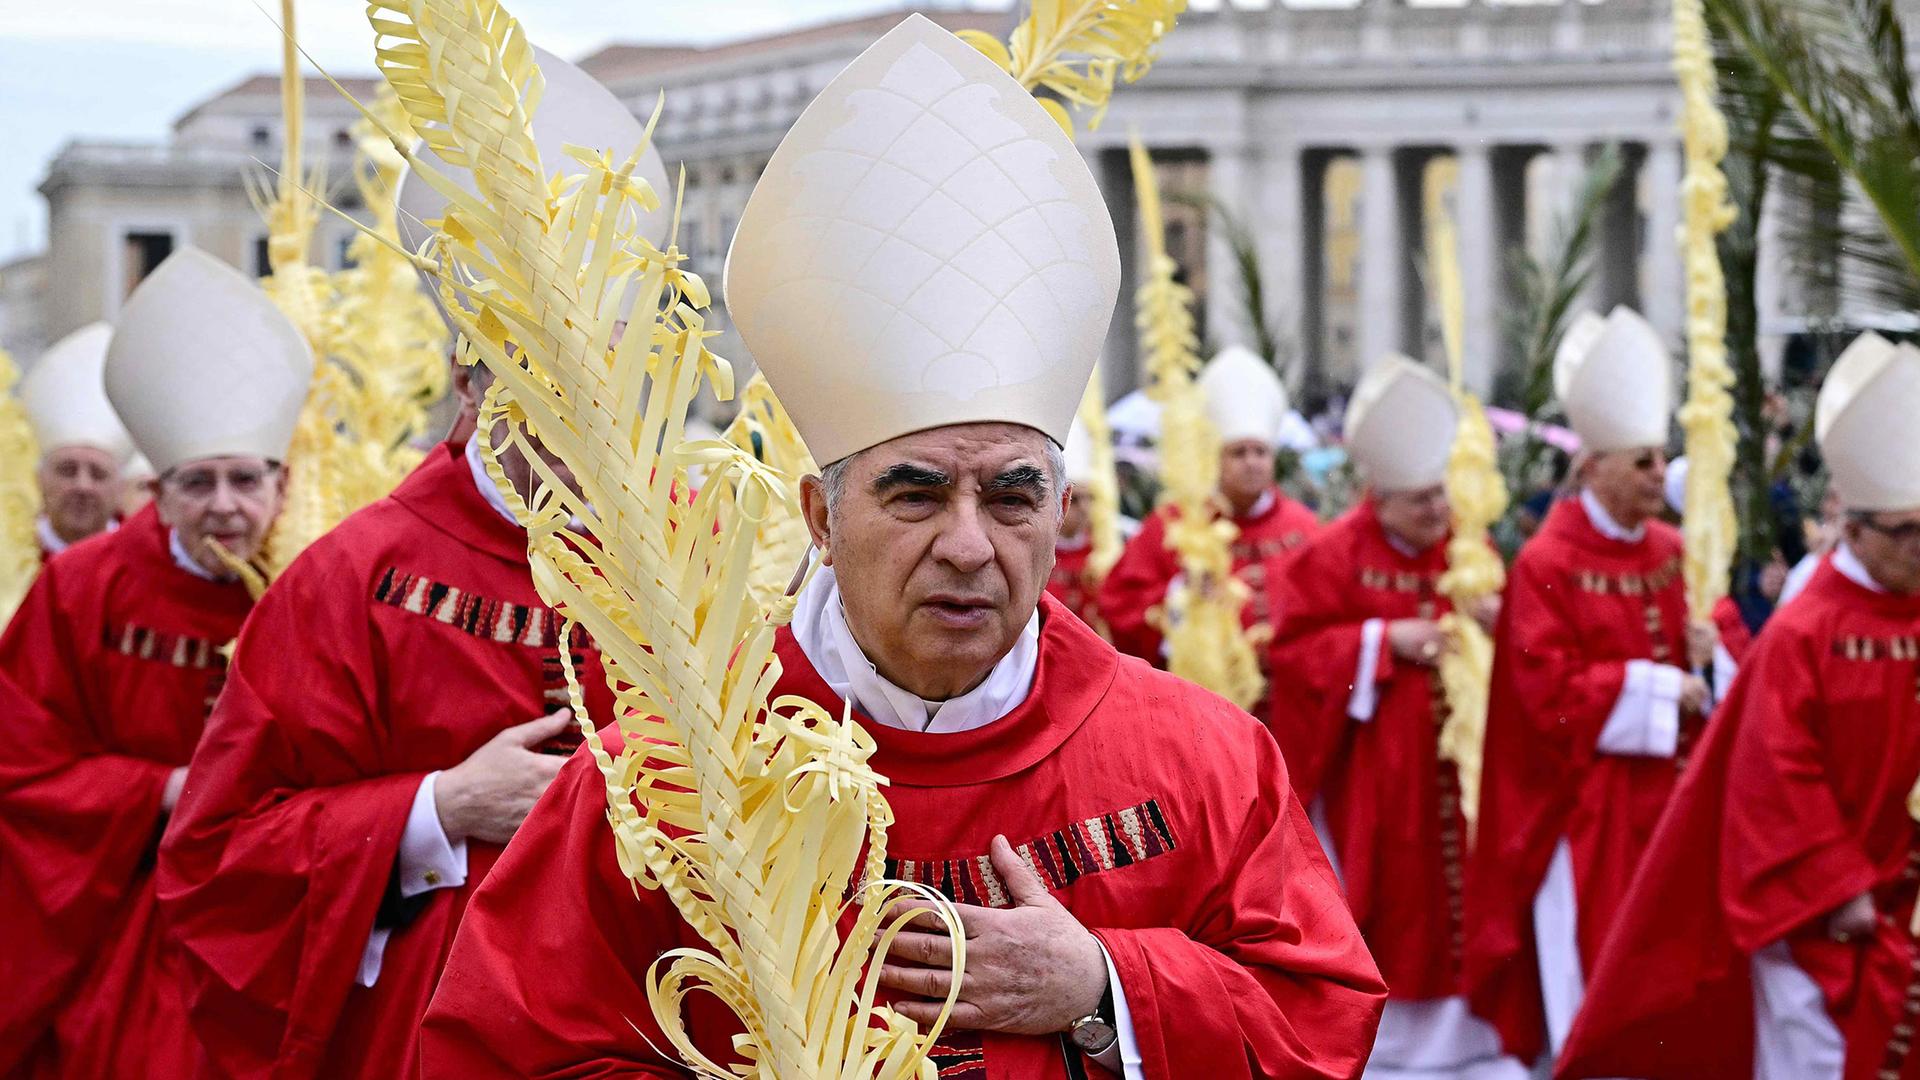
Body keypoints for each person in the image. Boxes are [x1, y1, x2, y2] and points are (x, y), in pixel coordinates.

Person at [418, 17, 1386, 1078]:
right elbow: (499, 1048)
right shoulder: (670, 777)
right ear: (820, 519)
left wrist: (1106, 988)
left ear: (1062, 517)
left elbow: (1321, 1020)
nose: (969, 545)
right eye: (916, 494)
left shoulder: (1201, 759)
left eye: (1011, 497)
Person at [151, 50, 651, 1080]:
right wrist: (438, 808)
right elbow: (215, 859)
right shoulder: (352, 578)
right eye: (542, 378)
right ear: (470, 383)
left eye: (605, 375)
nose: (583, 416)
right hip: (421, 1028)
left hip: (649, 1020)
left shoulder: (695, 559)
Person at [1555, 334, 1920, 1079]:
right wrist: (1837, 883)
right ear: (1851, 529)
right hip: (1824, 911)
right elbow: (1776, 770)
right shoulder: (1803, 631)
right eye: (1908, 532)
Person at [0, 247, 312, 1077]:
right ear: (158, 494)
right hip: (117, 912)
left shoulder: (311, 591)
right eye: (198, 484)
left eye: (245, 480)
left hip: (270, 910)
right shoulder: (82, 588)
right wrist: (160, 791)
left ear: (281, 487)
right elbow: (18, 759)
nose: (224, 507)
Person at [1462, 305, 1716, 1065]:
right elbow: (1546, 698)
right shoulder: (1547, 562)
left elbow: (1719, 656)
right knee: (1598, 969)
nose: (1659, 474)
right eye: (1642, 462)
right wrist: (1660, 688)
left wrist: (1711, 656)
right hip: (1587, 809)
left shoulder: (1673, 548)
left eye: (1662, 459)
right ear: (1593, 467)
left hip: (1673, 798)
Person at [1271, 356, 1525, 1079]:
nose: (1437, 511)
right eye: (1419, 501)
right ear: (1378, 498)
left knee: (1466, 887)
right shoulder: (1331, 556)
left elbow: (1525, 644)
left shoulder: (1468, 550)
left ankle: (1472, 1035)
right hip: (1380, 769)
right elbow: (1292, 655)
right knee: (1395, 893)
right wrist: (1382, 643)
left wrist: (1503, 621)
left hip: (1464, 764)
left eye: (1441, 495)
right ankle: (1392, 1047)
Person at [1097, 345, 1320, 689]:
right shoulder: (1174, 524)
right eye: (1238, 453)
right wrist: (1179, 596)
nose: (1251, 462)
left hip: (1288, 699)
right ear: (1216, 458)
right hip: (1202, 693)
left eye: (1260, 452)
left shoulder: (1305, 528)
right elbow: (1118, 606)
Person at [18, 322, 133, 558]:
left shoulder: (142, 560)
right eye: (67, 470)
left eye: (98, 474)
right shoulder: (12, 556)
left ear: (121, 487)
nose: (82, 486)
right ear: (40, 479)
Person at [1046, 420, 1131, 632]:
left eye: (1090, 498)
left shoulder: (1103, 550)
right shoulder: (1039, 549)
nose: (1084, 508)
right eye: (1075, 499)